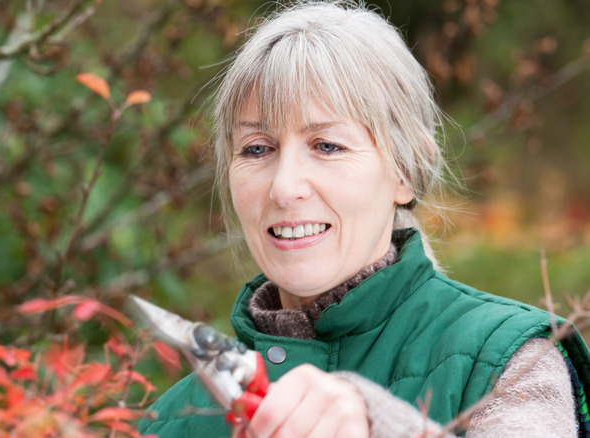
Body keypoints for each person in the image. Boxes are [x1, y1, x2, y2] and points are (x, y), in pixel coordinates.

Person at [139, 1, 590, 437]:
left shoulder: (509, 360)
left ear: (405, 174)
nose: (283, 186)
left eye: (327, 145)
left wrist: (379, 424)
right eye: (257, 148)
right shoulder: (169, 421)